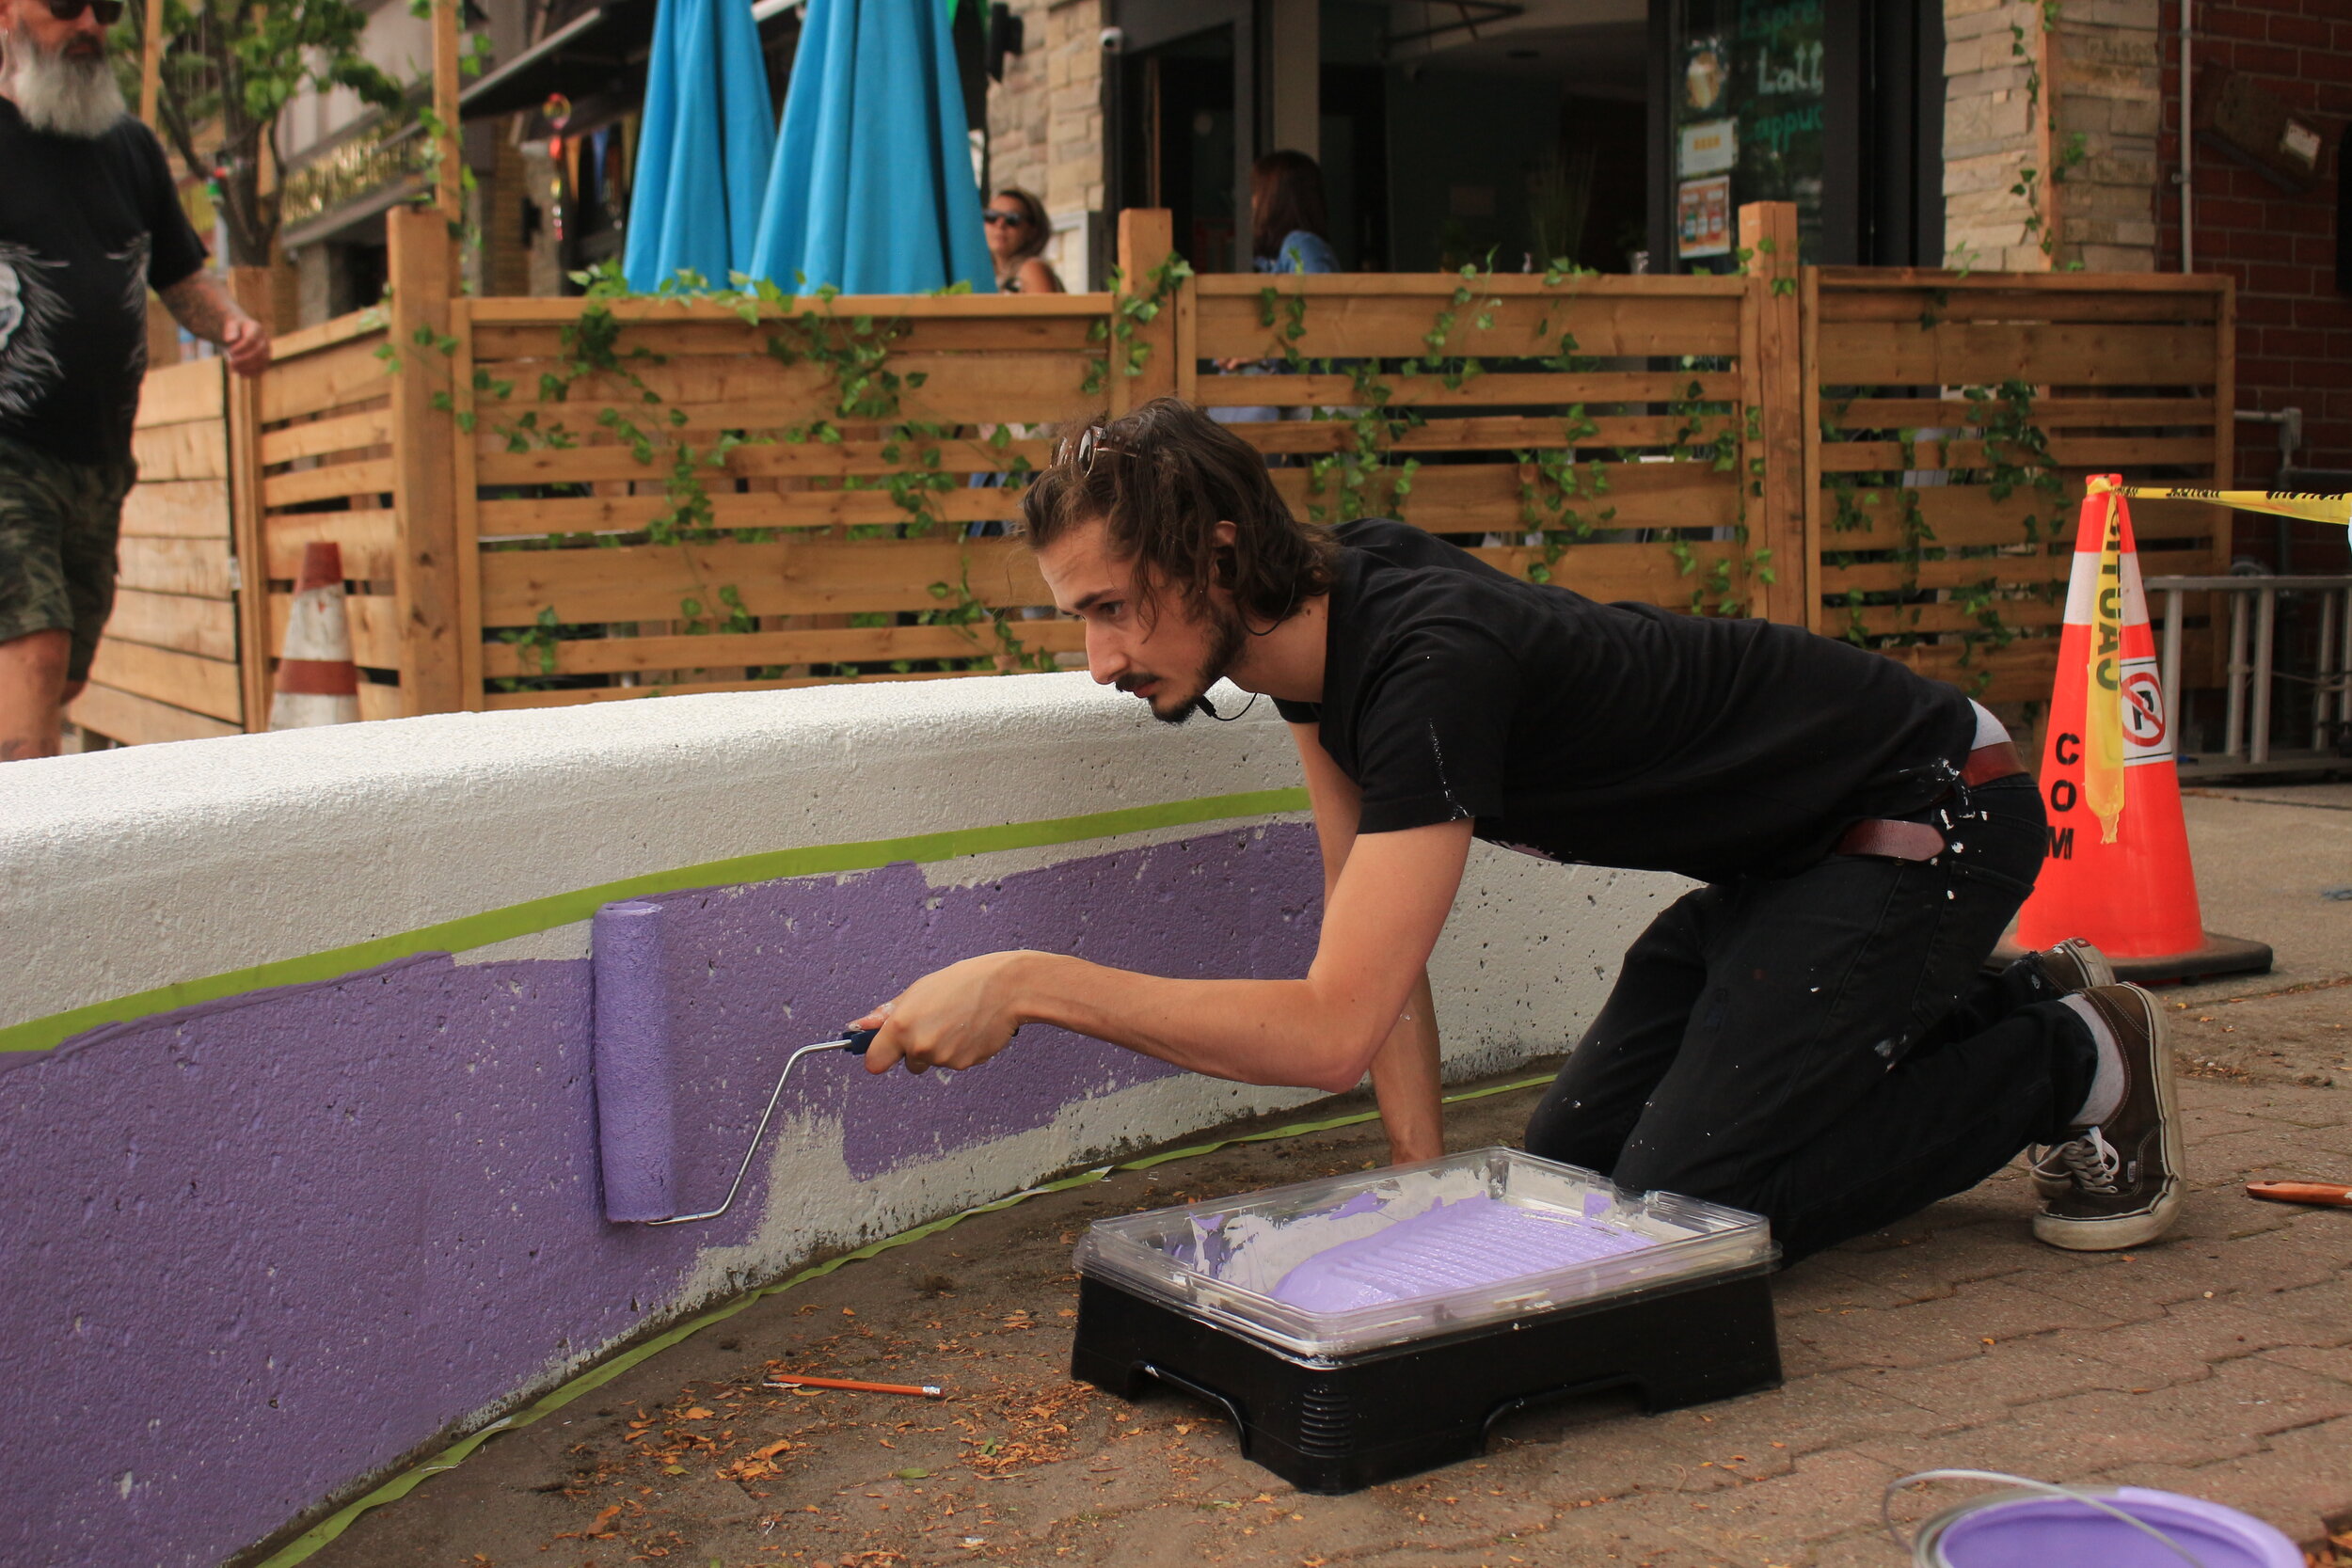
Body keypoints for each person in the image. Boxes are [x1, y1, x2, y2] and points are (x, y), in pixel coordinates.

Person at [850, 400, 2185, 1263]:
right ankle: (1994, 991)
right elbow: (1370, 966)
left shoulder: (1430, 666)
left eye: (1116, 608)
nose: (1097, 659)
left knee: (1675, 1226)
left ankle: (2070, 1059)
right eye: (1079, 616)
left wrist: (1028, 981)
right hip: (1785, 871)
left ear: (1211, 554)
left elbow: (1325, 1032)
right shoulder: (1309, 636)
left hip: (1928, 806)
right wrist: (1428, 1186)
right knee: (1550, 1196)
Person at [0, 0, 270, 761]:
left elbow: (179, 272)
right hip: (8, 452)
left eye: (106, 8)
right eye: (63, 6)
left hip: (99, 462)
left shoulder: (130, 149)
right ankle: (30, 871)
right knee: (36, 647)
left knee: (58, 673)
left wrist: (231, 326)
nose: (88, 23)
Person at [983, 188, 1062, 296]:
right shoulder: (990, 274)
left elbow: (1045, 312)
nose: (1000, 225)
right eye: (991, 216)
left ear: (1032, 231)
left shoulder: (1032, 269)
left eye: (1012, 219)